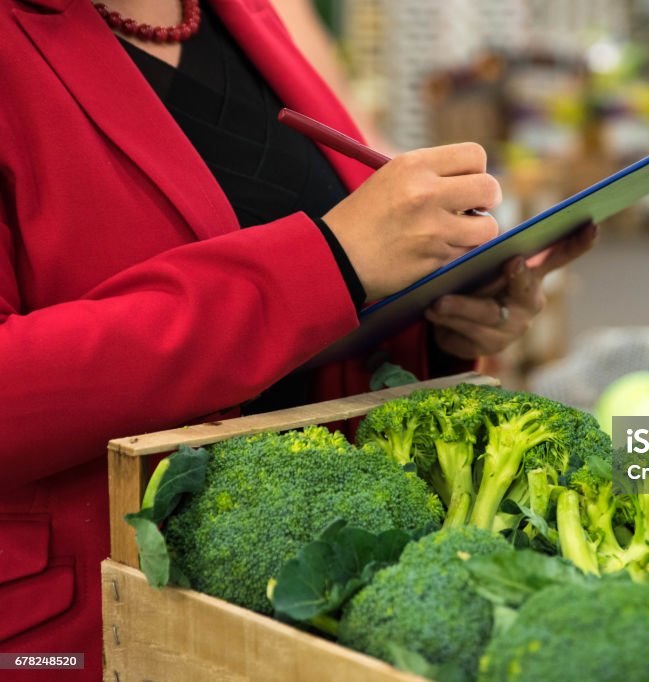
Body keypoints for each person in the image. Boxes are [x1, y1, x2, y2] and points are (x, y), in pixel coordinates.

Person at [0, 0, 596, 677]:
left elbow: (329, 306)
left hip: (315, 605)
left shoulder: (243, 17)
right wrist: (330, 261)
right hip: (78, 630)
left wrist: (442, 318)